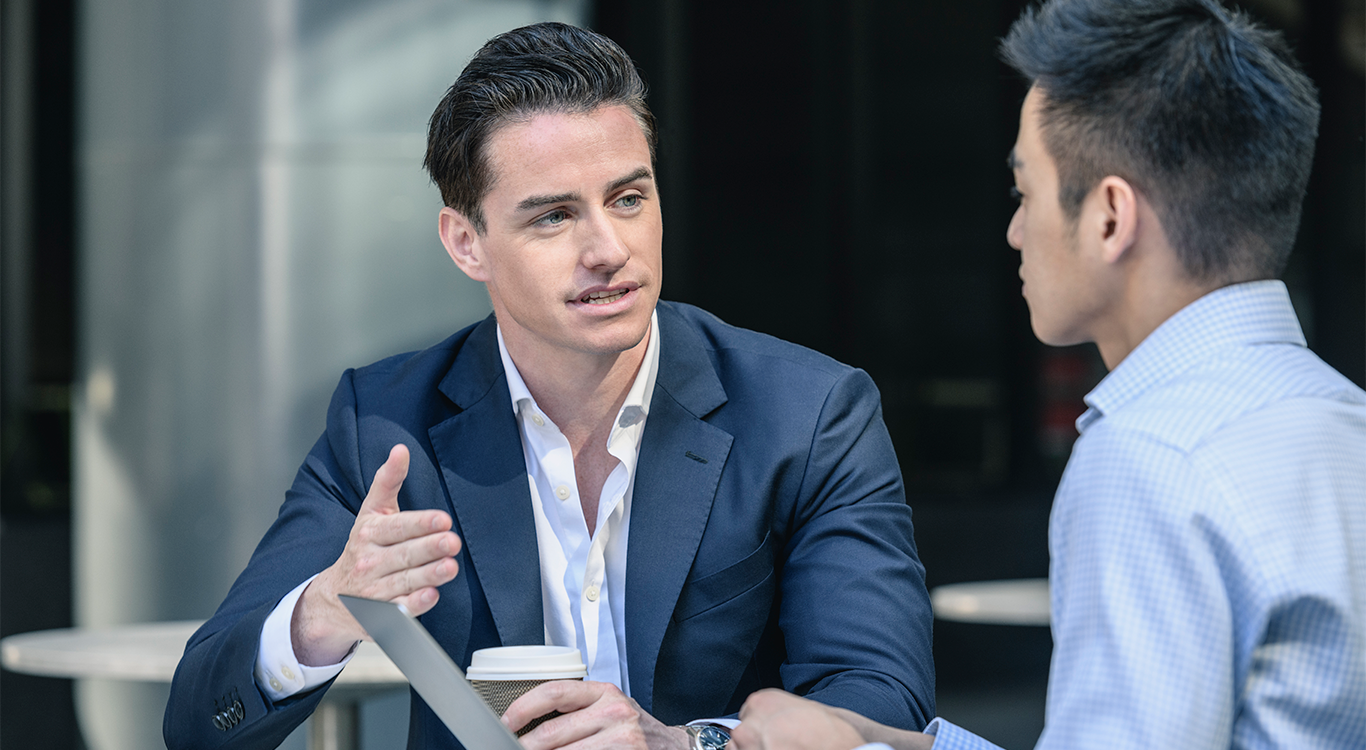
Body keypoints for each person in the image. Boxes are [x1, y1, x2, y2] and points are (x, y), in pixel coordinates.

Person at [162, 22, 935, 750]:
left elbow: (881, 708)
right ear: (468, 243)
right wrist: (323, 610)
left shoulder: (807, 415)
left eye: (628, 199)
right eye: (554, 217)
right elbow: (199, 718)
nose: (608, 248)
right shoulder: (388, 424)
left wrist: (687, 744)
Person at [728, 1, 1366, 749]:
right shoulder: (1340, 418)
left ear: (1109, 217)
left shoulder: (1147, 455)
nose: (1014, 231)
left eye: (1023, 192)